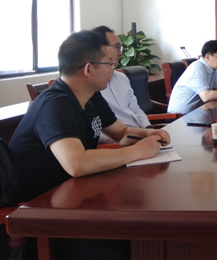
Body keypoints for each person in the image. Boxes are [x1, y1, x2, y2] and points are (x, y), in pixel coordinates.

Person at [9, 30, 170, 260]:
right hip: (40, 208)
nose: (114, 68)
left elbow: (122, 133)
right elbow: (77, 164)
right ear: (88, 69)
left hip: (72, 194)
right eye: (109, 63)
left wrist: (148, 134)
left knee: (140, 231)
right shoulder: (56, 105)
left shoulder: (91, 96)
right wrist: (136, 151)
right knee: (127, 244)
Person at [92, 26, 152, 142]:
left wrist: (148, 129)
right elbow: (96, 132)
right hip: (119, 143)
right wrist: (134, 138)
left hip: (137, 135)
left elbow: (136, 109)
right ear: (101, 48)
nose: (121, 53)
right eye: (117, 47)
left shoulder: (122, 78)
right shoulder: (91, 87)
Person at [167, 40, 217, 114]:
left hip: (197, 111)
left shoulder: (212, 68)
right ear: (208, 57)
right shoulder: (197, 69)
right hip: (179, 117)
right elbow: (206, 96)